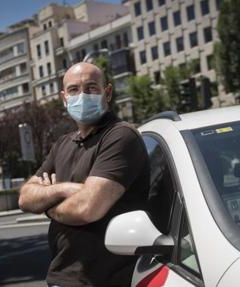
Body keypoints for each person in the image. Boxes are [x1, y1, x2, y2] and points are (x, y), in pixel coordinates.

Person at [18, 62, 150, 287]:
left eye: (91, 88)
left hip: (105, 280)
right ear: (64, 98)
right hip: (62, 275)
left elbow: (86, 208)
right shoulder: (62, 144)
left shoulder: (120, 136)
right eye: (73, 90)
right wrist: (64, 189)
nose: (82, 95)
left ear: (107, 92)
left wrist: (47, 204)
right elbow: (25, 198)